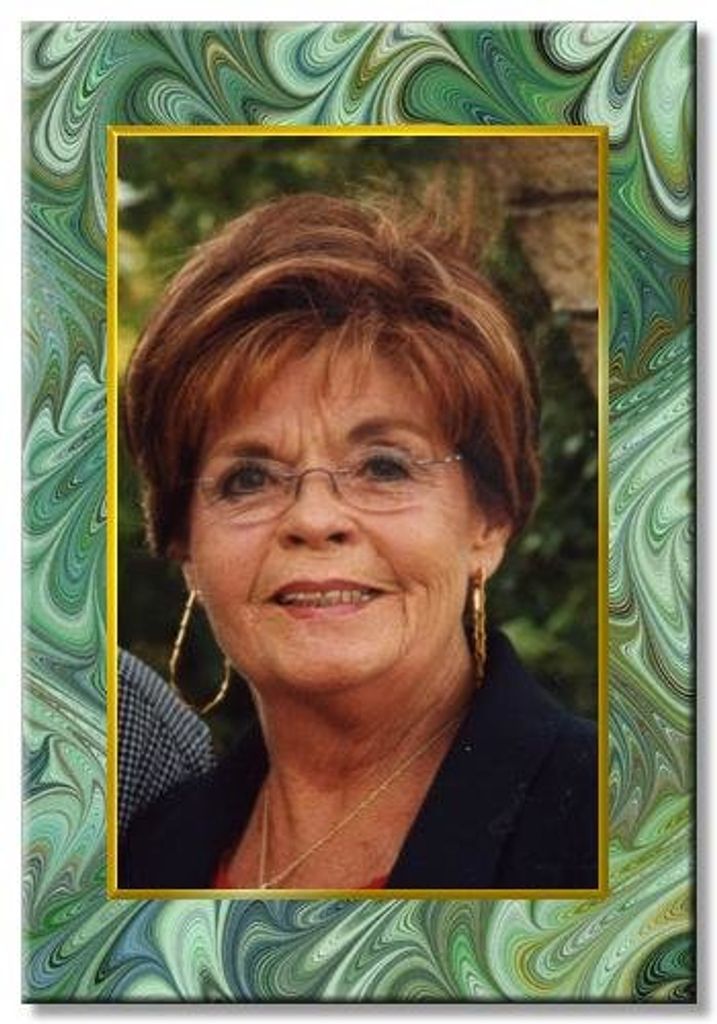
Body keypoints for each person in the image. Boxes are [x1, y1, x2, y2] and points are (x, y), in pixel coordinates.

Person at [119, 193, 597, 890]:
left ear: (488, 521)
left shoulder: (630, 831)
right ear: (184, 543)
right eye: (249, 478)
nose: (314, 519)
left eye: (383, 467)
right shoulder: (142, 856)